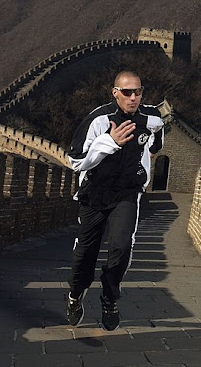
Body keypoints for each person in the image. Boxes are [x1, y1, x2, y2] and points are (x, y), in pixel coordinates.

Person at [65, 70, 164, 330]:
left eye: (138, 92)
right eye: (127, 92)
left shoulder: (152, 118)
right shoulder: (99, 119)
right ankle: (75, 295)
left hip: (127, 193)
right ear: (115, 93)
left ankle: (109, 299)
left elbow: (155, 144)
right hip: (95, 192)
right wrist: (109, 142)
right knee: (85, 253)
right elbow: (76, 160)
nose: (133, 97)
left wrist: (145, 162)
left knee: (121, 247)